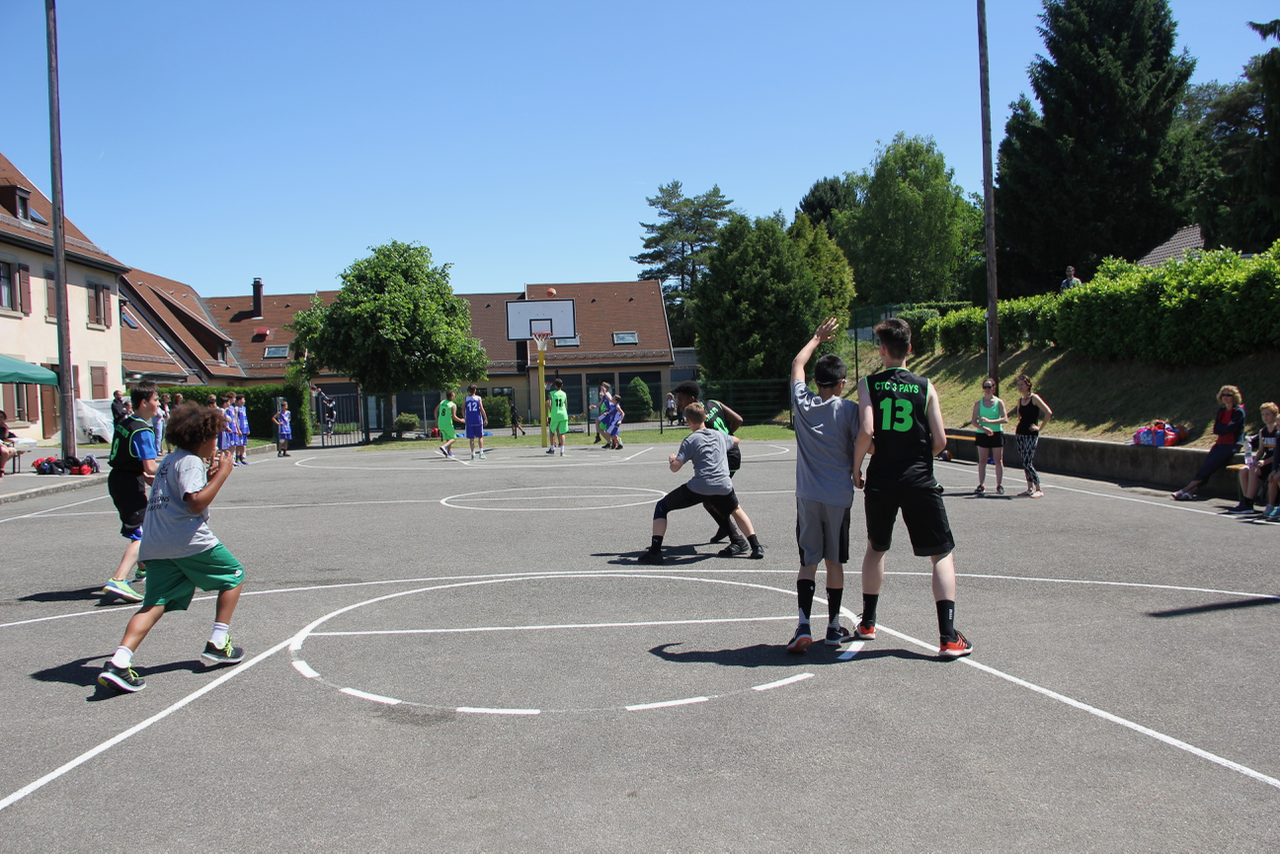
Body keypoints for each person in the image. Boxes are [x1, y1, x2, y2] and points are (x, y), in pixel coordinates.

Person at [96, 402, 247, 693]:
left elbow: (183, 493)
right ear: (202, 438)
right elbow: (195, 503)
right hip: (185, 538)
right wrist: (223, 473)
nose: (216, 444)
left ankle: (118, 662)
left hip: (156, 542)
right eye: (214, 438)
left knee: (154, 604)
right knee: (234, 575)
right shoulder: (191, 461)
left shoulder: (170, 460)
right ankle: (218, 642)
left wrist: (210, 476)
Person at [853, 317, 972, 659]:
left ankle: (868, 623)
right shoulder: (926, 386)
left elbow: (866, 431)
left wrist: (856, 467)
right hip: (918, 478)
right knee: (941, 554)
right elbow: (941, 440)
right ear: (910, 349)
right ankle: (948, 636)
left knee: (876, 547)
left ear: (882, 350)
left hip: (882, 478)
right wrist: (917, 456)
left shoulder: (869, 384)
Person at [785, 318, 860, 652]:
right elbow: (866, 440)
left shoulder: (803, 404)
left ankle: (803, 624)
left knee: (808, 562)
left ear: (815, 382)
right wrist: (857, 468)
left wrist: (816, 338)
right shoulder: (849, 410)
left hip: (808, 496)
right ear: (842, 384)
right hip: (838, 497)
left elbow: (797, 364)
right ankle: (832, 627)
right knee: (835, 562)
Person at [637, 402, 763, 564]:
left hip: (700, 486)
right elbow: (736, 440)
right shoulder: (719, 435)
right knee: (736, 510)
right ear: (705, 418)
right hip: (723, 485)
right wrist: (726, 441)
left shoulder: (690, 440)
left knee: (662, 506)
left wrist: (672, 460)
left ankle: (655, 551)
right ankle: (756, 546)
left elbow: (675, 468)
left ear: (688, 421)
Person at [103, 382, 160, 604]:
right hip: (128, 483)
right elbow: (150, 466)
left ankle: (143, 568)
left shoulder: (125, 422)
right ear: (144, 402)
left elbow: (129, 458)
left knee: (140, 527)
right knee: (142, 534)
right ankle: (118, 579)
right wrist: (173, 468)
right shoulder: (142, 430)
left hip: (119, 477)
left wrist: (142, 475)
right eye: (155, 400)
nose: (158, 404)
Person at [673, 380, 746, 545]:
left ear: (691, 399)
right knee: (714, 497)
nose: (678, 403)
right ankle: (726, 527)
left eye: (681, 399)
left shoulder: (699, 419)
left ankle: (735, 535)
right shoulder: (714, 403)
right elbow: (739, 419)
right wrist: (727, 436)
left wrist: (722, 440)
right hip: (732, 453)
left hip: (726, 456)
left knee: (711, 499)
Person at [1173, 385, 1246, 501]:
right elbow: (1216, 429)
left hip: (1231, 445)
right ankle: (1191, 492)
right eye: (1223, 395)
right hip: (1220, 443)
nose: (1225, 397)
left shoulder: (1239, 411)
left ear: (1234, 397)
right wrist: (1224, 428)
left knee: (1209, 466)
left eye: (1228, 395)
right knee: (1207, 466)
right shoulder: (1221, 411)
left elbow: (1231, 429)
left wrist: (1224, 428)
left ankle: (1184, 490)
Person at [1231, 401, 1278, 515]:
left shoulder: (1278, 431)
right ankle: (1246, 501)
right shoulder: (1263, 431)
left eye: (1268, 414)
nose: (1265, 417)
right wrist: (1254, 460)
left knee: (1253, 471)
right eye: (1263, 414)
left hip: (1274, 462)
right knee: (1244, 470)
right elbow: (1261, 450)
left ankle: (1249, 501)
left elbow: (1278, 454)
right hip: (1264, 461)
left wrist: (1264, 461)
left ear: (1274, 415)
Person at [1014, 374, 1053, 498]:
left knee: (1027, 461)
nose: (1020, 387)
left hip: (1031, 434)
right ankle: (1029, 487)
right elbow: (1019, 415)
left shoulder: (1034, 398)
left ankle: (1038, 488)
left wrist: (1040, 427)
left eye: (1022, 384)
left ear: (1028, 385)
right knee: (1024, 461)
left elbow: (1048, 412)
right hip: (1020, 433)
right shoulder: (1020, 400)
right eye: (1018, 385)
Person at [971, 378, 1008, 494]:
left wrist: (990, 422)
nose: (987, 389)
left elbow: (1005, 419)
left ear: (993, 388)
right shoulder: (978, 404)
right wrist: (984, 428)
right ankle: (981, 484)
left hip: (997, 433)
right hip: (982, 434)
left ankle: (999, 485)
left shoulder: (999, 402)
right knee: (982, 460)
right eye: (985, 387)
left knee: (998, 460)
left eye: (989, 387)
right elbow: (974, 421)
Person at [437, 390, 464, 458]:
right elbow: (454, 417)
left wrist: (436, 420)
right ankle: (444, 446)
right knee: (454, 438)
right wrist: (461, 420)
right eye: (454, 395)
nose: (454, 396)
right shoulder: (452, 405)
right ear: (451, 396)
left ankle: (449, 452)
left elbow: (435, 411)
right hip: (447, 423)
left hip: (441, 422)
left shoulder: (442, 402)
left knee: (448, 439)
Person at [464, 384, 488, 460]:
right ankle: (481, 453)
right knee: (480, 437)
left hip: (469, 420)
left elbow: (462, 409)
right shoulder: (478, 398)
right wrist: (485, 418)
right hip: (477, 419)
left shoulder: (466, 398)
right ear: (475, 390)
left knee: (471, 438)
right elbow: (481, 408)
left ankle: (473, 454)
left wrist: (465, 417)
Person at [547, 377, 569, 456]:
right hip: (563, 414)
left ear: (555, 385)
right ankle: (562, 451)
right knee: (562, 433)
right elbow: (566, 404)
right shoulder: (564, 394)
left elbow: (549, 404)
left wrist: (551, 410)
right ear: (562, 385)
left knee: (552, 431)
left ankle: (552, 448)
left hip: (555, 414)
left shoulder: (552, 393)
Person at [0, 411, 18, 477]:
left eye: (2, 417)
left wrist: (6, 429)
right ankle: (1, 469)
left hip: (2, 445)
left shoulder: (3, 428)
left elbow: (6, 437)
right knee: (5, 452)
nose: (1, 419)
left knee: (13, 450)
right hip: (1, 446)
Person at [234, 394, 250, 465]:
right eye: (243, 400)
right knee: (239, 444)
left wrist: (248, 429)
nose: (244, 401)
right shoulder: (236, 408)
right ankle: (237, 458)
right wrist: (238, 429)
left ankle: (242, 457)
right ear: (238, 401)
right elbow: (236, 419)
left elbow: (245, 419)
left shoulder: (244, 408)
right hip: (240, 428)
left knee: (244, 444)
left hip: (245, 428)